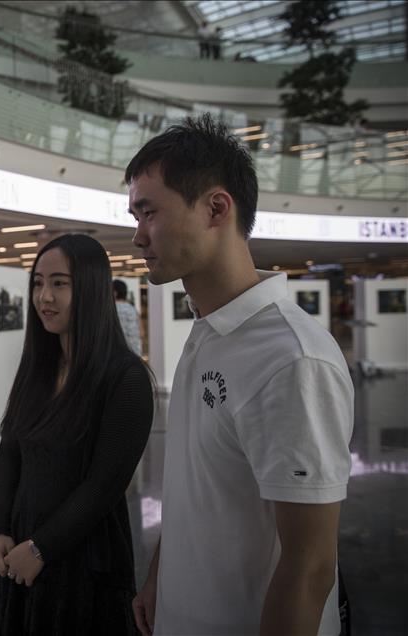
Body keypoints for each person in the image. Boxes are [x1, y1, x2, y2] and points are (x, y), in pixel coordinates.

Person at [125, 114, 354, 636]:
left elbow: (310, 567)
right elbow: (196, 484)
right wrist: (162, 575)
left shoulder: (292, 360)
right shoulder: (206, 332)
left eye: (148, 212)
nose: (138, 236)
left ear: (215, 207)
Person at [0, 234, 154, 635]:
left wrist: (42, 547)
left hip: (82, 560)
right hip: (22, 553)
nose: (45, 296)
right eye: (38, 283)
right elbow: (10, 453)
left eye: (59, 283)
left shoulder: (125, 378)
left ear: (92, 289)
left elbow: (104, 486)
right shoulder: (38, 368)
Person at [112, 279, 142, 356]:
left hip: (119, 355)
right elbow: (141, 332)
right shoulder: (133, 309)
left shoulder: (111, 309)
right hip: (135, 353)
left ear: (115, 293)